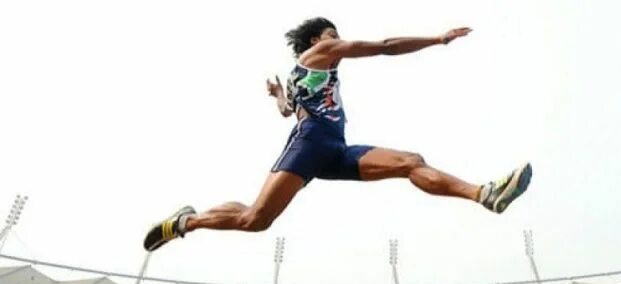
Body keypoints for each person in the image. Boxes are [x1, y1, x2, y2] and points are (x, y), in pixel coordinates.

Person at [144, 17, 532, 252]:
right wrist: (437, 39)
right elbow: (383, 48)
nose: (340, 42)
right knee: (255, 220)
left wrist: (279, 94)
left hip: (334, 149)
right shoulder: (320, 53)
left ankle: (484, 194)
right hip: (310, 142)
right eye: (332, 35)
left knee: (409, 162)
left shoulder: (301, 78)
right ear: (317, 41)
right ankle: (185, 223)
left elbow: (287, 110)